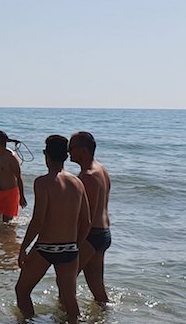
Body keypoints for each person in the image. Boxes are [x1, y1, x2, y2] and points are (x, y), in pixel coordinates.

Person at [15, 135, 91, 324]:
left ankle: (28, 321)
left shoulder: (43, 182)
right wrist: (75, 246)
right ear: (65, 156)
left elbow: (38, 221)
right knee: (70, 300)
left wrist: (23, 247)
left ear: (46, 155)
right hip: (70, 249)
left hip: (46, 248)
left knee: (22, 291)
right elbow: (87, 222)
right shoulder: (77, 183)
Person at [69, 131, 112, 306]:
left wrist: (75, 243)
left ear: (84, 151)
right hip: (103, 233)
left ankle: (67, 317)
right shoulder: (101, 169)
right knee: (96, 286)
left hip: (91, 235)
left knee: (65, 282)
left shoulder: (87, 176)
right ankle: (103, 316)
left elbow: (85, 217)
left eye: (71, 148)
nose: (68, 152)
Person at [0, 130, 27, 222]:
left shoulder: (11, 157)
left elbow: (19, 177)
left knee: (7, 222)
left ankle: (9, 235)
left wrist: (22, 197)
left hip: (10, 193)